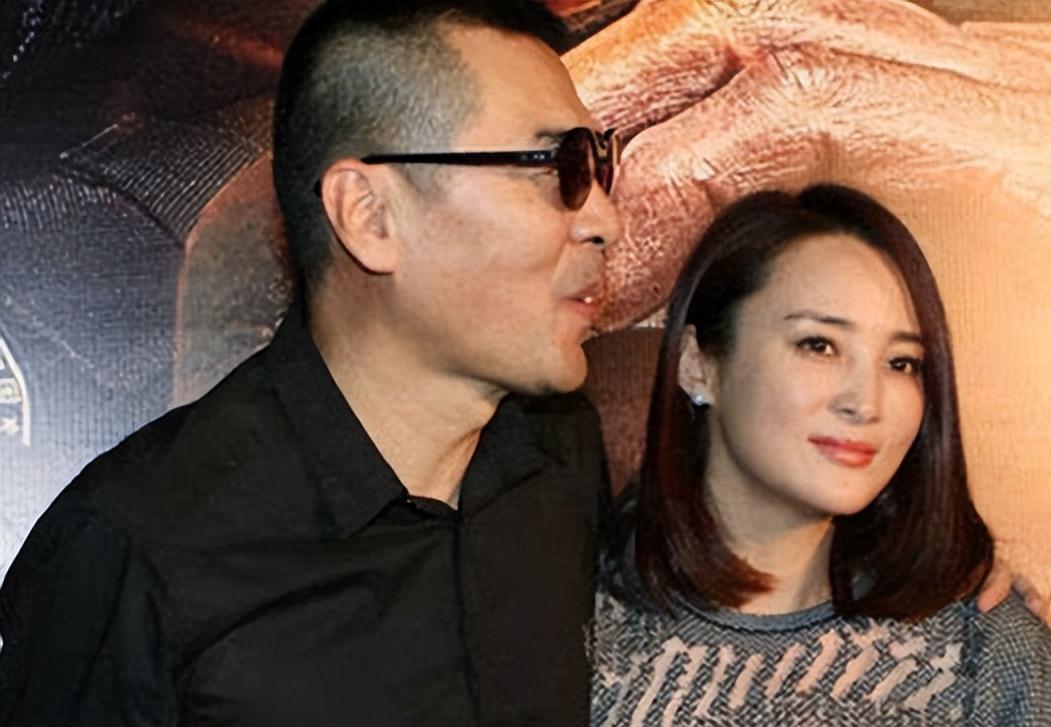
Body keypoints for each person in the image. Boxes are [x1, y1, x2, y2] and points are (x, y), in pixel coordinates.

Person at [0, 1, 620, 725]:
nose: (605, 219)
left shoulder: (558, 459)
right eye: (555, 167)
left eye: (598, 163)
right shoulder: (134, 551)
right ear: (370, 215)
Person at [590, 185, 1051, 725]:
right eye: (819, 345)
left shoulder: (987, 654)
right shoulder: (568, 615)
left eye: (901, 363)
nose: (865, 403)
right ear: (696, 365)